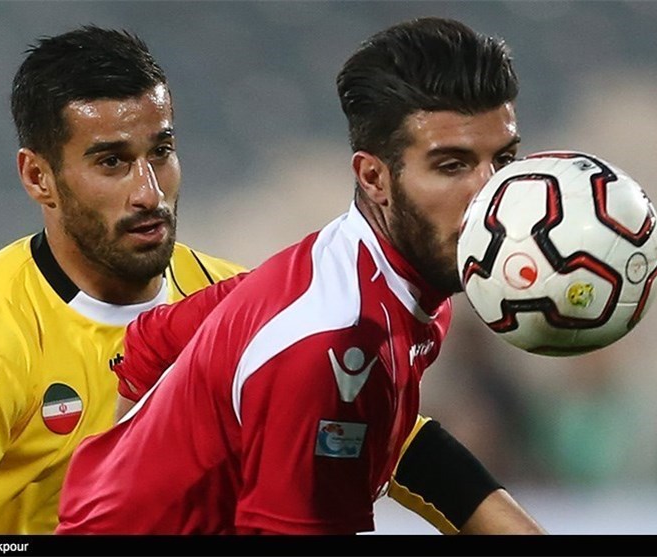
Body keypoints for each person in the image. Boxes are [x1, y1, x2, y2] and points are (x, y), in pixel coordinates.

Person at [56, 17, 546, 535]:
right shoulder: (329, 339)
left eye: (504, 159)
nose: (492, 195)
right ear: (374, 178)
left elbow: (151, 342)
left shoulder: (363, 266)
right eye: (452, 166)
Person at [0, 26, 245, 535]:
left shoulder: (237, 305)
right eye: (112, 162)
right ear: (38, 177)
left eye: (161, 152)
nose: (149, 193)